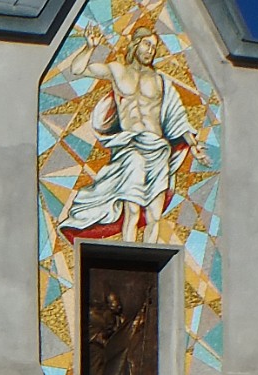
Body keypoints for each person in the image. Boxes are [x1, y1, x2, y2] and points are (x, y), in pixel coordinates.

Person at [59, 24, 211, 243]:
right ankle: (127, 260)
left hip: (158, 149)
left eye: (155, 47)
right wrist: (89, 47)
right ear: (135, 44)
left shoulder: (161, 81)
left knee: (154, 215)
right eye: (147, 44)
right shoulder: (117, 70)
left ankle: (151, 265)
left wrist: (194, 146)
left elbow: (177, 119)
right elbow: (77, 69)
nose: (151, 50)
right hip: (130, 148)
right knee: (131, 210)